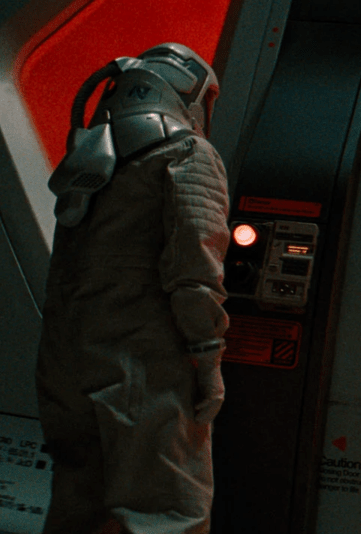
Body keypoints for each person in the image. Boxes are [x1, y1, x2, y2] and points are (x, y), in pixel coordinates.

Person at [35, 43, 229, 534]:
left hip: (65, 365)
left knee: (79, 510)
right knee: (168, 513)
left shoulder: (87, 167)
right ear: (189, 94)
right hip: (146, 367)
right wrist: (207, 361)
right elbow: (195, 272)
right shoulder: (188, 154)